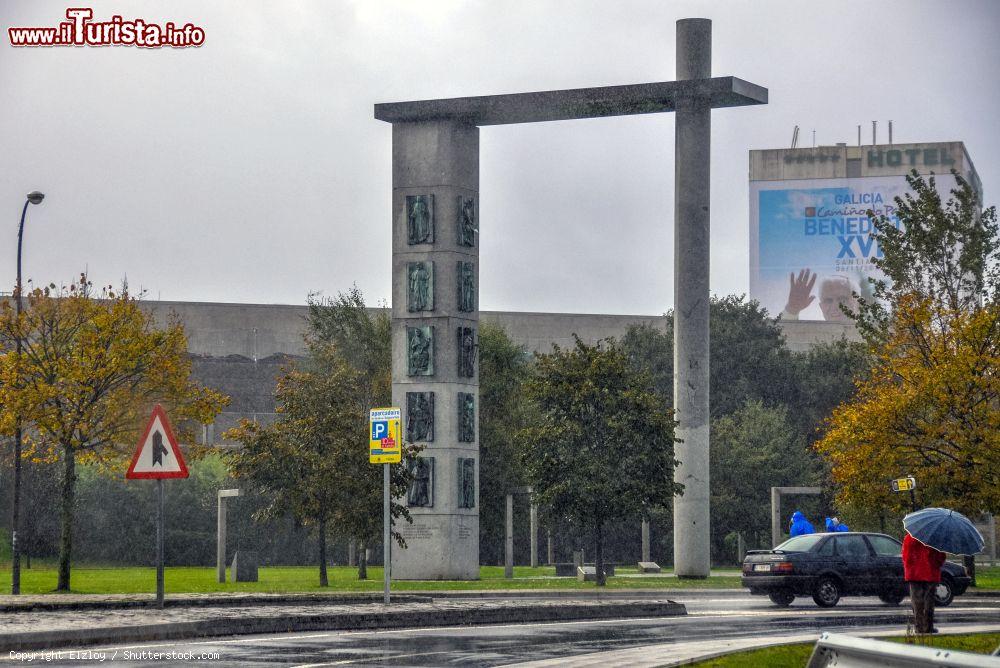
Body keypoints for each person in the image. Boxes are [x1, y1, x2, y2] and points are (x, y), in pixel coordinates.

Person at [902, 532, 946, 634]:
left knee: (917, 602)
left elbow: (905, 557)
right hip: (930, 573)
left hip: (914, 574)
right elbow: (940, 557)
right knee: (929, 602)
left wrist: (911, 567)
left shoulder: (909, 538)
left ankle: (919, 627)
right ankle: (928, 627)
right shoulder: (934, 539)